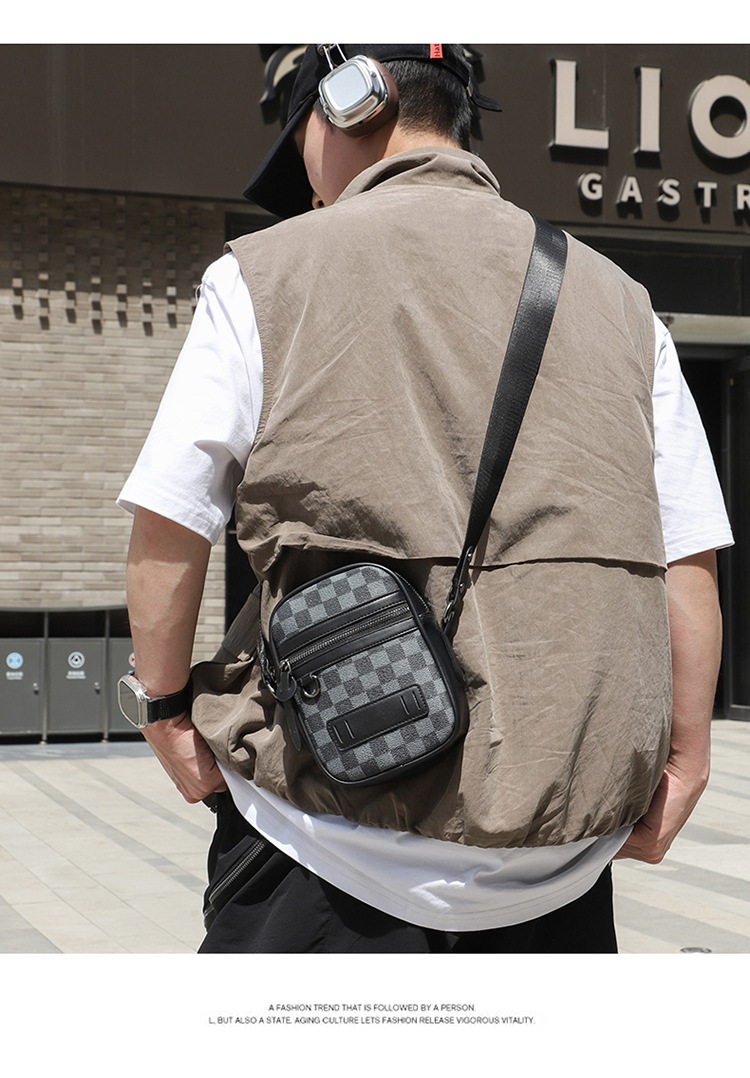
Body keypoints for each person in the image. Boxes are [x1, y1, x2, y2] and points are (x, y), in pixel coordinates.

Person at [118, 44, 733, 953]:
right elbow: (686, 555)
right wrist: (686, 756)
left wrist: (163, 708)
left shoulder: (259, 274)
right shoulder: (627, 304)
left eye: (300, 138)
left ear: (350, 97)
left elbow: (172, 519)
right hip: (560, 872)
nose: (307, 181)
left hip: (324, 842)